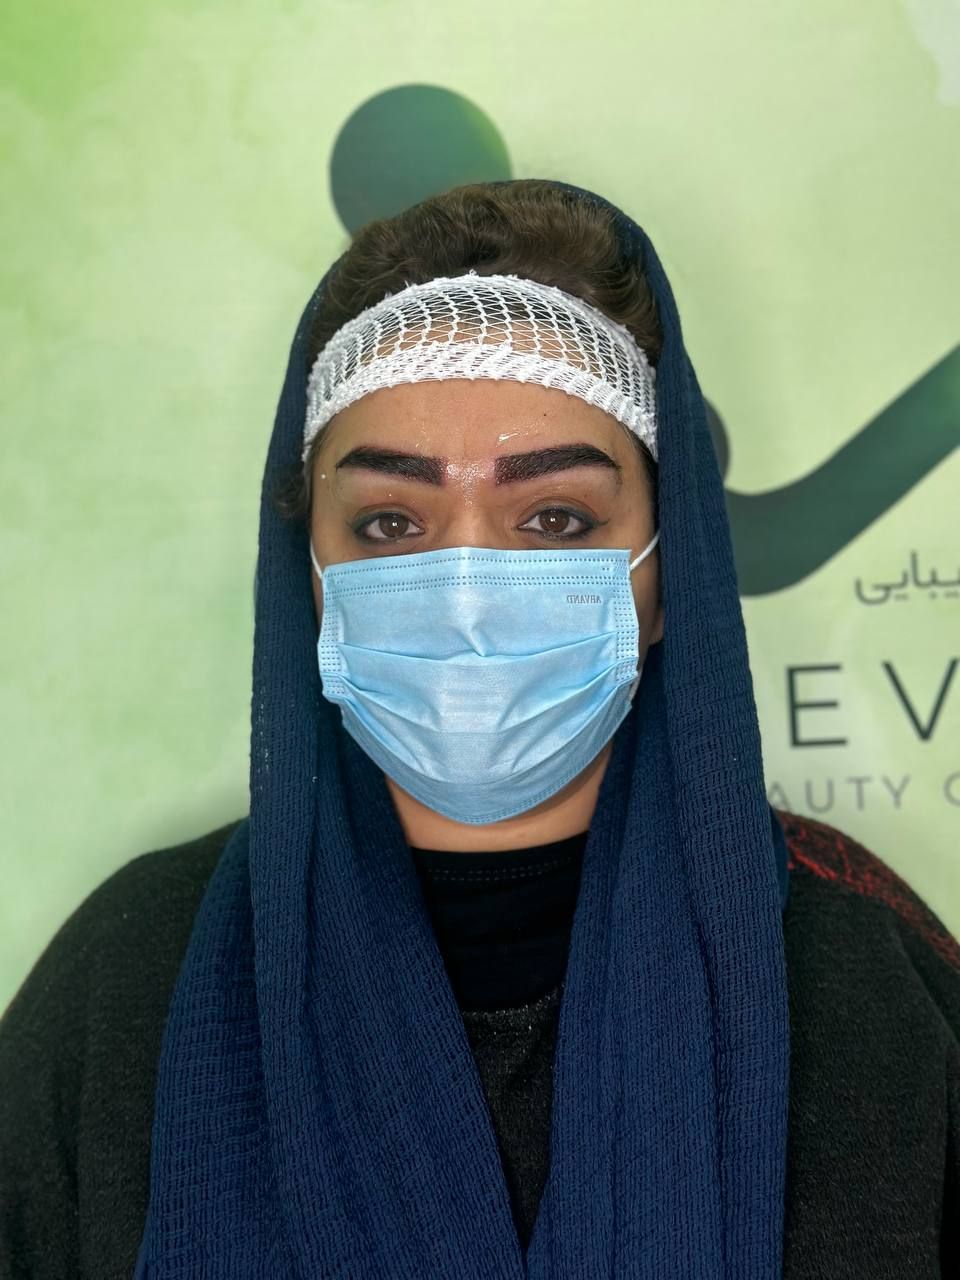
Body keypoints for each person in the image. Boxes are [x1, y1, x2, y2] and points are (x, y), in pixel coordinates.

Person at [1, 178, 957, 1279]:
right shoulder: (129, 981)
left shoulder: (868, 980)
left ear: (669, 573)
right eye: (388, 522)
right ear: (306, 575)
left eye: (554, 517)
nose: (464, 587)